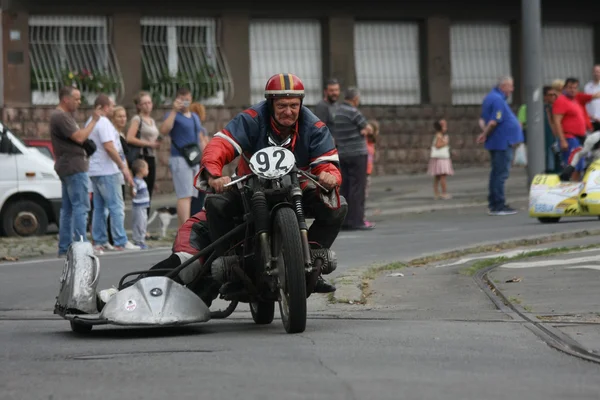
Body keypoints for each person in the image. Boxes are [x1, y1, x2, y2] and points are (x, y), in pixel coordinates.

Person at [195, 73, 348, 294]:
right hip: (251, 187)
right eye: (282, 105)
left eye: (294, 105)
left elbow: (327, 160)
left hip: (298, 186)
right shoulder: (251, 118)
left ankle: (312, 260)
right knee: (215, 203)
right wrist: (214, 174)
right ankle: (231, 266)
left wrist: (328, 174)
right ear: (270, 103)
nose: (289, 111)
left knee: (337, 204)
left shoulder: (314, 125)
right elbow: (221, 143)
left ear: (301, 104)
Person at [97, 210, 216, 310]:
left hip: (227, 237)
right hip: (203, 226)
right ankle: (120, 292)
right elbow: (205, 181)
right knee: (188, 263)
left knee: (198, 302)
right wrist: (216, 180)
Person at [50, 86, 102, 257]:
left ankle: (65, 247)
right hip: (74, 166)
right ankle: (81, 246)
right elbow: (79, 137)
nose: (79, 102)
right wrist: (94, 120)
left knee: (68, 208)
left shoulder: (61, 116)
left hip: (68, 166)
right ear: (66, 99)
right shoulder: (61, 116)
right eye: (77, 99)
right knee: (80, 207)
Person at [159, 88, 208, 228]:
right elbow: (164, 130)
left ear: (191, 98)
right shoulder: (172, 115)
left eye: (187, 98)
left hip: (193, 158)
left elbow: (200, 138)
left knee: (191, 195)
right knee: (184, 195)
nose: (184, 102)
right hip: (180, 158)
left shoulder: (194, 116)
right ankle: (186, 229)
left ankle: (184, 229)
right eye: (181, 99)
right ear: (177, 100)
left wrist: (207, 157)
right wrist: (174, 111)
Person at [477, 76, 524, 216]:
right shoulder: (497, 100)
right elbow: (493, 121)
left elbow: (482, 120)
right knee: (500, 174)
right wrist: (485, 134)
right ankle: (498, 205)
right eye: (510, 86)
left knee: (496, 173)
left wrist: (484, 132)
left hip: (498, 141)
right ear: (503, 86)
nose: (512, 89)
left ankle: (495, 203)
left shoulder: (491, 97)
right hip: (502, 142)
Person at [333, 87, 374, 230]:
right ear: (355, 99)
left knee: (345, 187)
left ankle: (345, 220)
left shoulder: (337, 112)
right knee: (358, 187)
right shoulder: (354, 112)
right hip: (357, 154)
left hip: (342, 153)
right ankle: (357, 220)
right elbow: (368, 128)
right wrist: (364, 130)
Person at [428, 118, 454, 199]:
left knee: (437, 177)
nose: (446, 128)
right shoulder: (439, 135)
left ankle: (436, 193)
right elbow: (438, 145)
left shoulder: (439, 135)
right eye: (445, 126)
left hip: (438, 158)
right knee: (442, 176)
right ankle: (444, 193)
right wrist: (445, 142)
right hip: (441, 159)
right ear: (440, 127)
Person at [131, 159, 151, 249]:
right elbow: (133, 191)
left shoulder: (142, 181)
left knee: (143, 223)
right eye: (147, 168)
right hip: (138, 207)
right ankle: (137, 240)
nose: (148, 171)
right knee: (139, 223)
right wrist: (133, 192)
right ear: (141, 169)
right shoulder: (136, 181)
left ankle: (141, 239)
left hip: (143, 206)